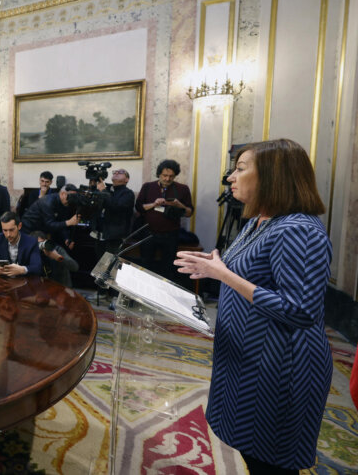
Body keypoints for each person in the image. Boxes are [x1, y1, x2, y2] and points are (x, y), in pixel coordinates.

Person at [174, 139, 331, 474]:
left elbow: (300, 310)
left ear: (274, 176)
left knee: (269, 462)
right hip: (248, 358)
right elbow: (248, 271)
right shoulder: (260, 220)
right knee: (251, 451)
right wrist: (214, 264)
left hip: (278, 367)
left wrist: (222, 274)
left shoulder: (299, 229)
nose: (231, 177)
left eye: (241, 169)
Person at [135, 159, 193, 280]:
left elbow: (189, 213)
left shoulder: (183, 189)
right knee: (145, 266)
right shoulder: (148, 187)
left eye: (171, 176)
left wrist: (179, 205)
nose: (167, 179)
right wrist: (154, 204)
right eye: (164, 175)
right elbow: (139, 208)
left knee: (168, 268)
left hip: (171, 235)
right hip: (148, 234)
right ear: (159, 174)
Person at [0, 212, 42, 277]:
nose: (8, 235)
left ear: (19, 226)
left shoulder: (31, 241)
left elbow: (37, 267)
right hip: (2, 282)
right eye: (5, 230)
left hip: (23, 282)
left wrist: (22, 270)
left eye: (11, 230)